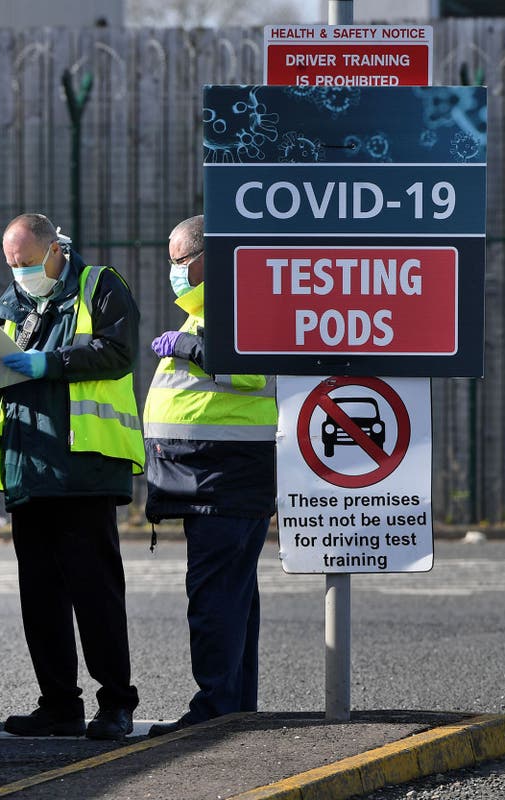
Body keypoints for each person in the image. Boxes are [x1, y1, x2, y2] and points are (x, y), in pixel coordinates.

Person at [0, 212, 144, 741]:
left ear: (54, 251)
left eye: (25, 262)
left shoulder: (99, 286)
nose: (18, 272)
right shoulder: (13, 302)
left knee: (95, 594)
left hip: (83, 470)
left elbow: (117, 351)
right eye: (11, 264)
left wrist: (50, 363)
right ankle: (59, 705)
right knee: (40, 597)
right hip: (30, 472)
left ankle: (116, 704)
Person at [143, 214, 278, 737]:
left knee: (215, 599)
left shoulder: (239, 301)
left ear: (206, 260)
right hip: (216, 477)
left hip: (222, 477)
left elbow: (252, 365)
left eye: (180, 261)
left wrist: (188, 348)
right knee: (234, 599)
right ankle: (234, 705)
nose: (174, 271)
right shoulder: (207, 312)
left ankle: (214, 712)